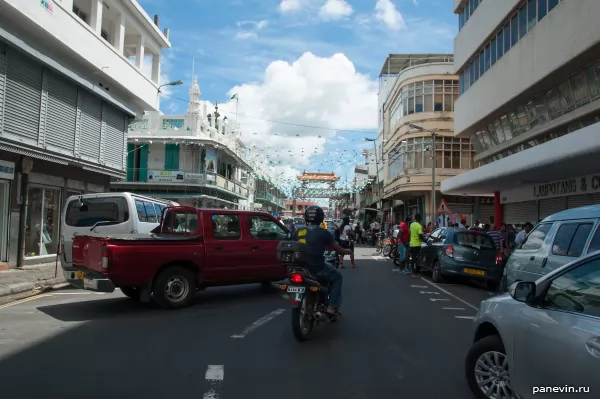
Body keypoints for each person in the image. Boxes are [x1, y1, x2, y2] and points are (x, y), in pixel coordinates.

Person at [295, 206, 351, 315]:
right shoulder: (324, 233)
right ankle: (331, 307)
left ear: (305, 218)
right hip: (317, 268)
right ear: (321, 218)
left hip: (299, 267)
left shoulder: (297, 231)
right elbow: (339, 250)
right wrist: (347, 251)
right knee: (338, 277)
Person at [409, 213, 425, 277]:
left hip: (411, 244)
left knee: (413, 258)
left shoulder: (411, 224)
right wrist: (424, 239)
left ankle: (413, 272)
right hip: (417, 244)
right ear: (420, 219)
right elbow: (420, 236)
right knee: (418, 258)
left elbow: (410, 233)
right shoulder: (419, 226)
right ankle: (416, 272)